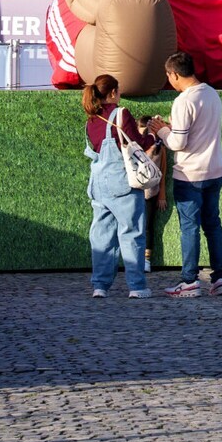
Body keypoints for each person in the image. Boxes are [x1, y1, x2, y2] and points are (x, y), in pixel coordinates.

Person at [157, 52, 222, 298]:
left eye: (169, 76)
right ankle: (220, 279)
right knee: (213, 225)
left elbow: (178, 142)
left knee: (190, 228)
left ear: (174, 74)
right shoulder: (212, 93)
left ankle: (189, 281)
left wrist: (163, 131)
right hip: (215, 169)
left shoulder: (183, 101)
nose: (169, 80)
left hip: (190, 174)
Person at [83, 74, 156, 299]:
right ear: (113, 92)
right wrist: (153, 134)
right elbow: (139, 143)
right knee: (132, 233)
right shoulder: (120, 113)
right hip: (122, 182)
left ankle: (100, 286)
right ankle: (136, 287)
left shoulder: (91, 119)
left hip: (98, 184)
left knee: (102, 236)